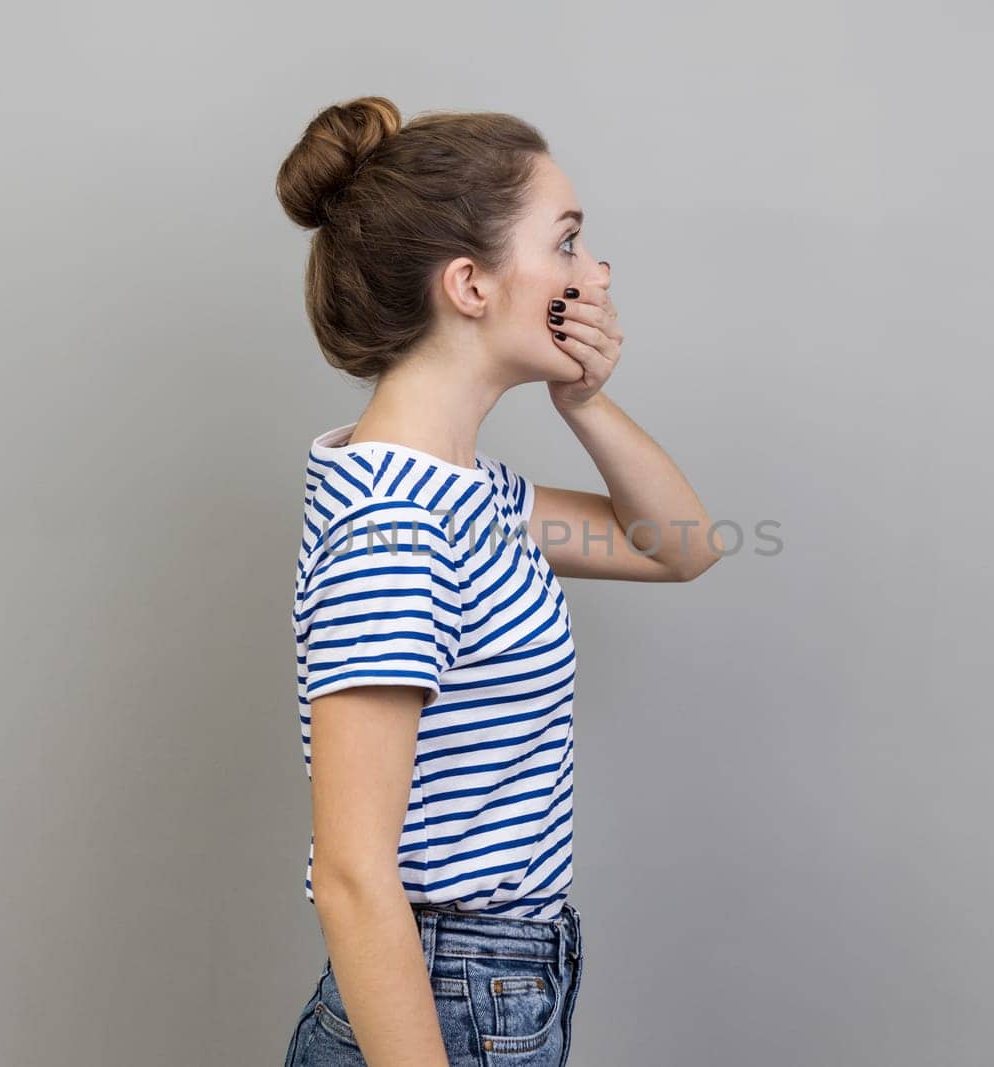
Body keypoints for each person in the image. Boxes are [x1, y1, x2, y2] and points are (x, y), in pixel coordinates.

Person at [276, 96, 720, 1067]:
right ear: (470, 284)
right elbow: (353, 873)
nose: (594, 274)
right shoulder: (394, 527)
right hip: (446, 988)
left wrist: (585, 400)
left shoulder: (460, 492)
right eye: (565, 242)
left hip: (493, 976)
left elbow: (680, 544)